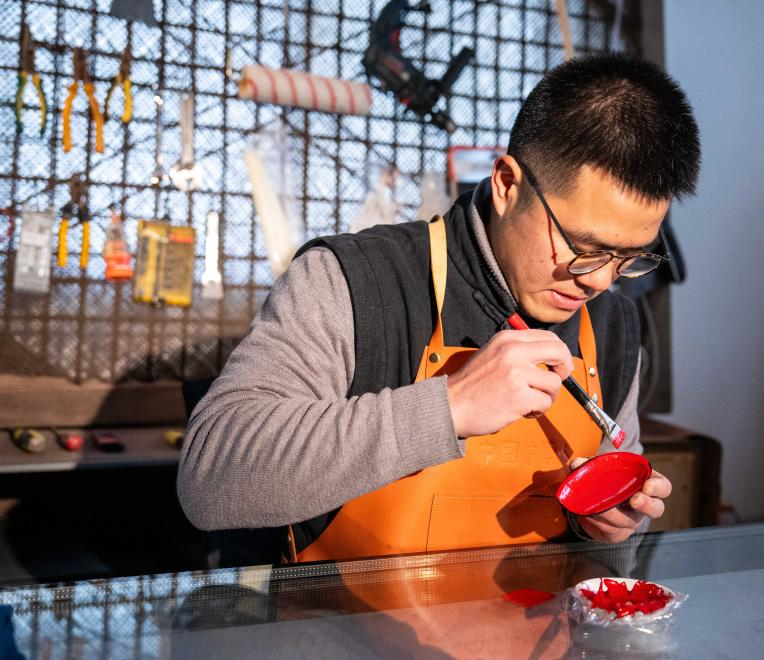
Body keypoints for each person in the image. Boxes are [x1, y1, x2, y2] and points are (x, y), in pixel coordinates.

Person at [178, 52, 701, 565]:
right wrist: (449, 408)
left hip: (536, 622)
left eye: (629, 257)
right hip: (343, 619)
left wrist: (606, 524)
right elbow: (208, 480)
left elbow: (613, 549)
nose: (600, 281)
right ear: (506, 185)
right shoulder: (354, 282)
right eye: (583, 247)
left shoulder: (611, 326)